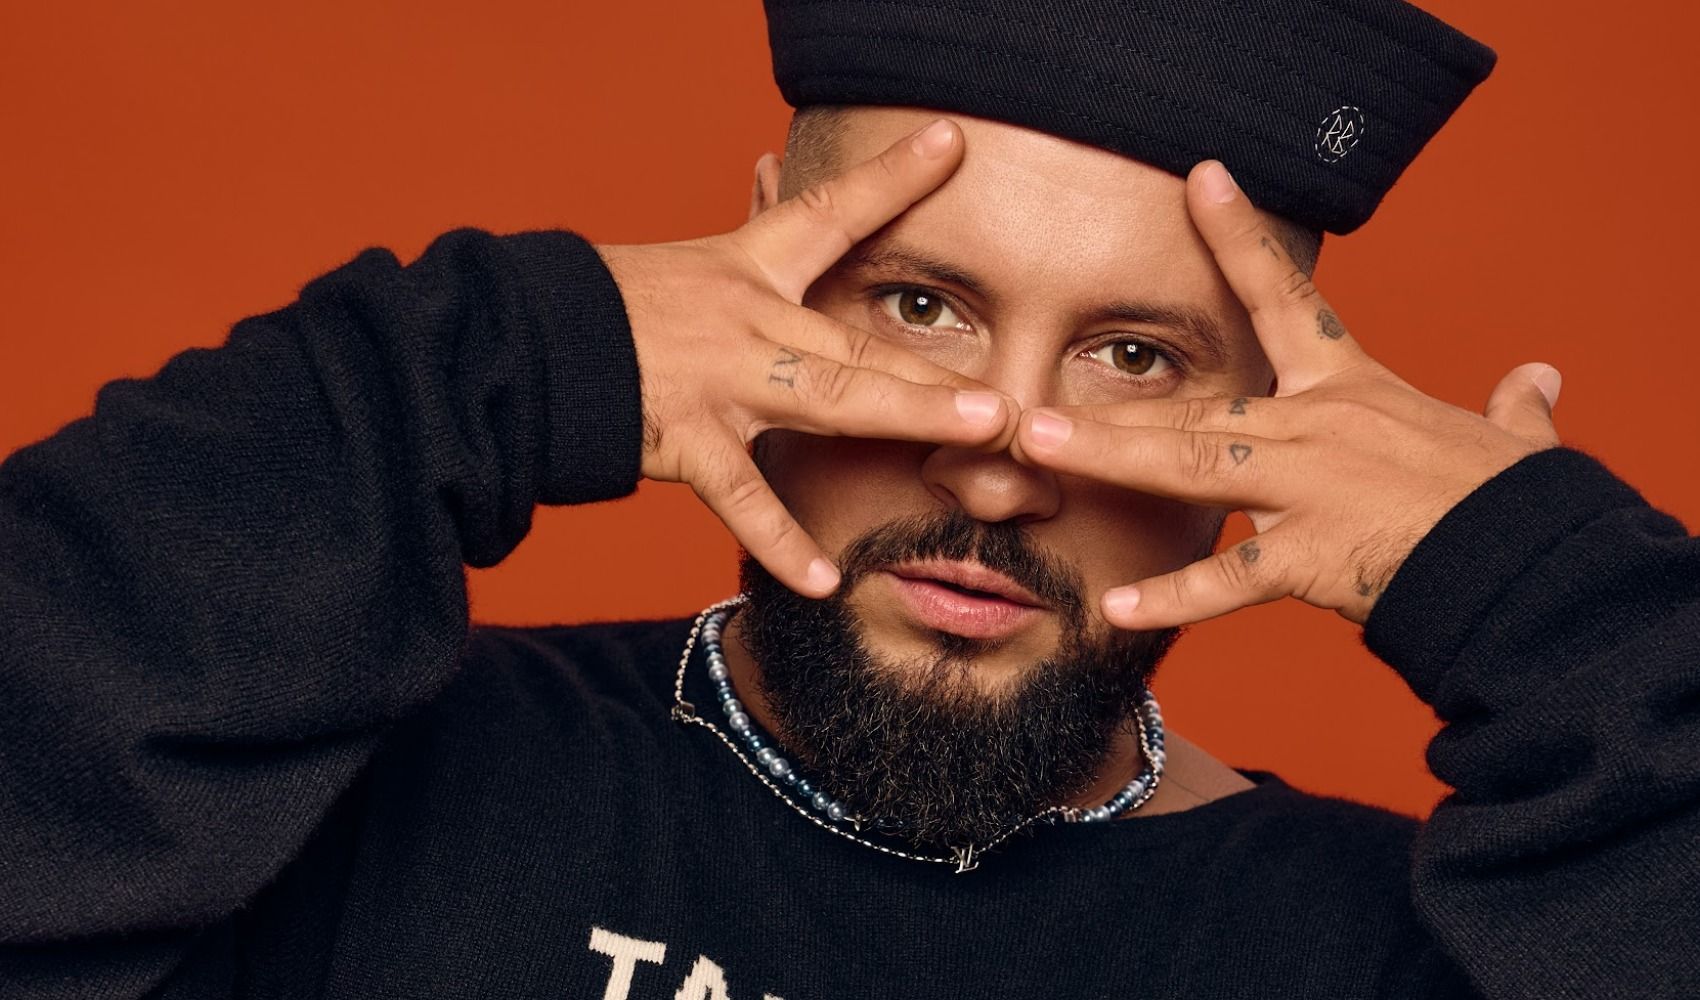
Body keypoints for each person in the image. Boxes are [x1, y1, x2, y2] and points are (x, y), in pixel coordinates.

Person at [1, 1, 1695, 998]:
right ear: (754, 266)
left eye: (1135, 356)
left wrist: (1543, 594)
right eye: (919, 305)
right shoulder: (360, 791)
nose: (1000, 458)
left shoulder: (1381, 951)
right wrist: (490, 358)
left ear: (1269, 398)